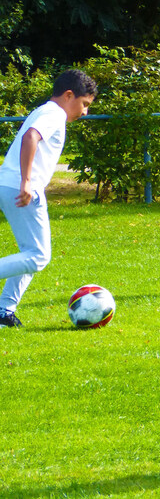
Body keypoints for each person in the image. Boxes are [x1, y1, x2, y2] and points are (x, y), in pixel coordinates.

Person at [0, 70, 95, 329]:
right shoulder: (54, 114)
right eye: (84, 104)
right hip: (20, 187)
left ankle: (4, 311)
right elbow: (31, 137)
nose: (84, 112)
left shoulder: (45, 111)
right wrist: (27, 181)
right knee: (38, 256)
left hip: (9, 184)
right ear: (68, 95)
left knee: (29, 253)